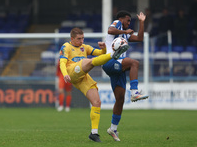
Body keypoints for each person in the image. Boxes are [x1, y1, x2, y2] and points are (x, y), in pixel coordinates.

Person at [59, 27, 130, 142]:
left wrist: (104, 48)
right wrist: (65, 74)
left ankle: (94, 133)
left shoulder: (84, 47)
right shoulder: (66, 46)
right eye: (79, 39)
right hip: (72, 71)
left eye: (83, 38)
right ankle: (113, 55)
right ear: (72, 39)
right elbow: (62, 62)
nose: (81, 41)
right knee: (89, 61)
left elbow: (99, 53)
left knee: (97, 102)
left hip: (82, 76)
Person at [102, 10, 149, 141]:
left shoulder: (125, 35)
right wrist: (124, 31)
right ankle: (134, 92)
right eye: (128, 20)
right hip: (110, 61)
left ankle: (113, 128)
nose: (129, 23)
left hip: (118, 68)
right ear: (121, 19)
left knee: (120, 99)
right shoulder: (117, 23)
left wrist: (141, 22)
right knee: (134, 62)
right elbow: (110, 31)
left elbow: (140, 38)